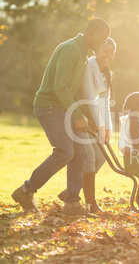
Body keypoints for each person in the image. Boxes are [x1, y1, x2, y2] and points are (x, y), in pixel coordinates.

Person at [11, 18, 111, 217]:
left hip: (62, 107)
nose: (103, 42)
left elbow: (72, 90)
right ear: (92, 32)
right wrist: (77, 115)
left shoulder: (82, 53)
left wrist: (84, 116)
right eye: (103, 37)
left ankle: (72, 204)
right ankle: (25, 191)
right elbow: (60, 87)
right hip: (48, 106)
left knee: (81, 153)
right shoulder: (71, 49)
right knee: (65, 151)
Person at [57, 37, 117, 213]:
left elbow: (104, 102)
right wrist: (99, 125)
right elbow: (90, 97)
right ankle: (91, 204)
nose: (108, 56)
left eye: (112, 53)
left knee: (101, 156)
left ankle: (71, 190)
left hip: (94, 117)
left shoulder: (107, 73)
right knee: (89, 157)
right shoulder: (89, 65)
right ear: (96, 50)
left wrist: (108, 127)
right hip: (80, 115)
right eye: (105, 51)